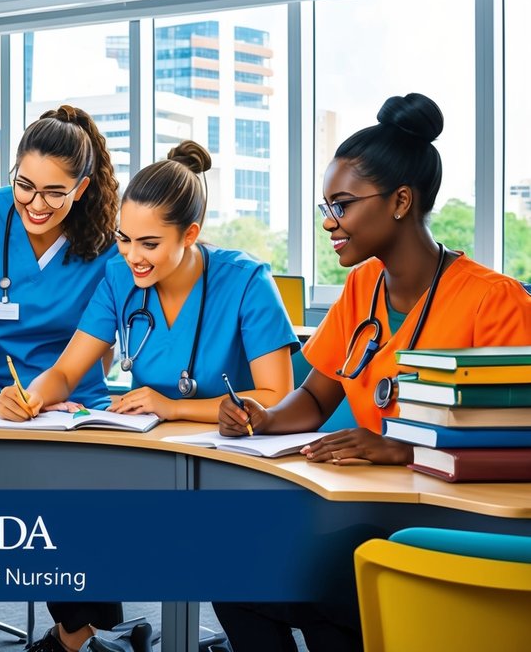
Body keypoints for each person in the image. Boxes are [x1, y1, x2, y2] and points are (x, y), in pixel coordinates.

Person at [213, 94, 531, 651]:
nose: (330, 222)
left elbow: (519, 447)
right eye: (325, 208)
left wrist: (405, 449)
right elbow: (313, 397)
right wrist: (262, 417)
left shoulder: (494, 302)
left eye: (342, 204)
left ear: (401, 201)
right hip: (366, 512)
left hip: (460, 527)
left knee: (324, 596)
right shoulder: (362, 288)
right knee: (231, 573)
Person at [0, 141, 298, 652]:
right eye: (124, 239)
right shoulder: (119, 278)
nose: (133, 256)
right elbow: (68, 370)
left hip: (237, 466)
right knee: (50, 502)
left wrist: (172, 405)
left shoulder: (246, 280)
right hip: (152, 460)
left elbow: (277, 395)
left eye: (150, 244)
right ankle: (87, 637)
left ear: (191, 234)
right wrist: (31, 394)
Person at [0, 105, 120, 410]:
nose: (36, 204)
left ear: (80, 188)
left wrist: (48, 397)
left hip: (73, 405)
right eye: (25, 186)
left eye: (54, 193)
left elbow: (104, 344)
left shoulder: (108, 246)